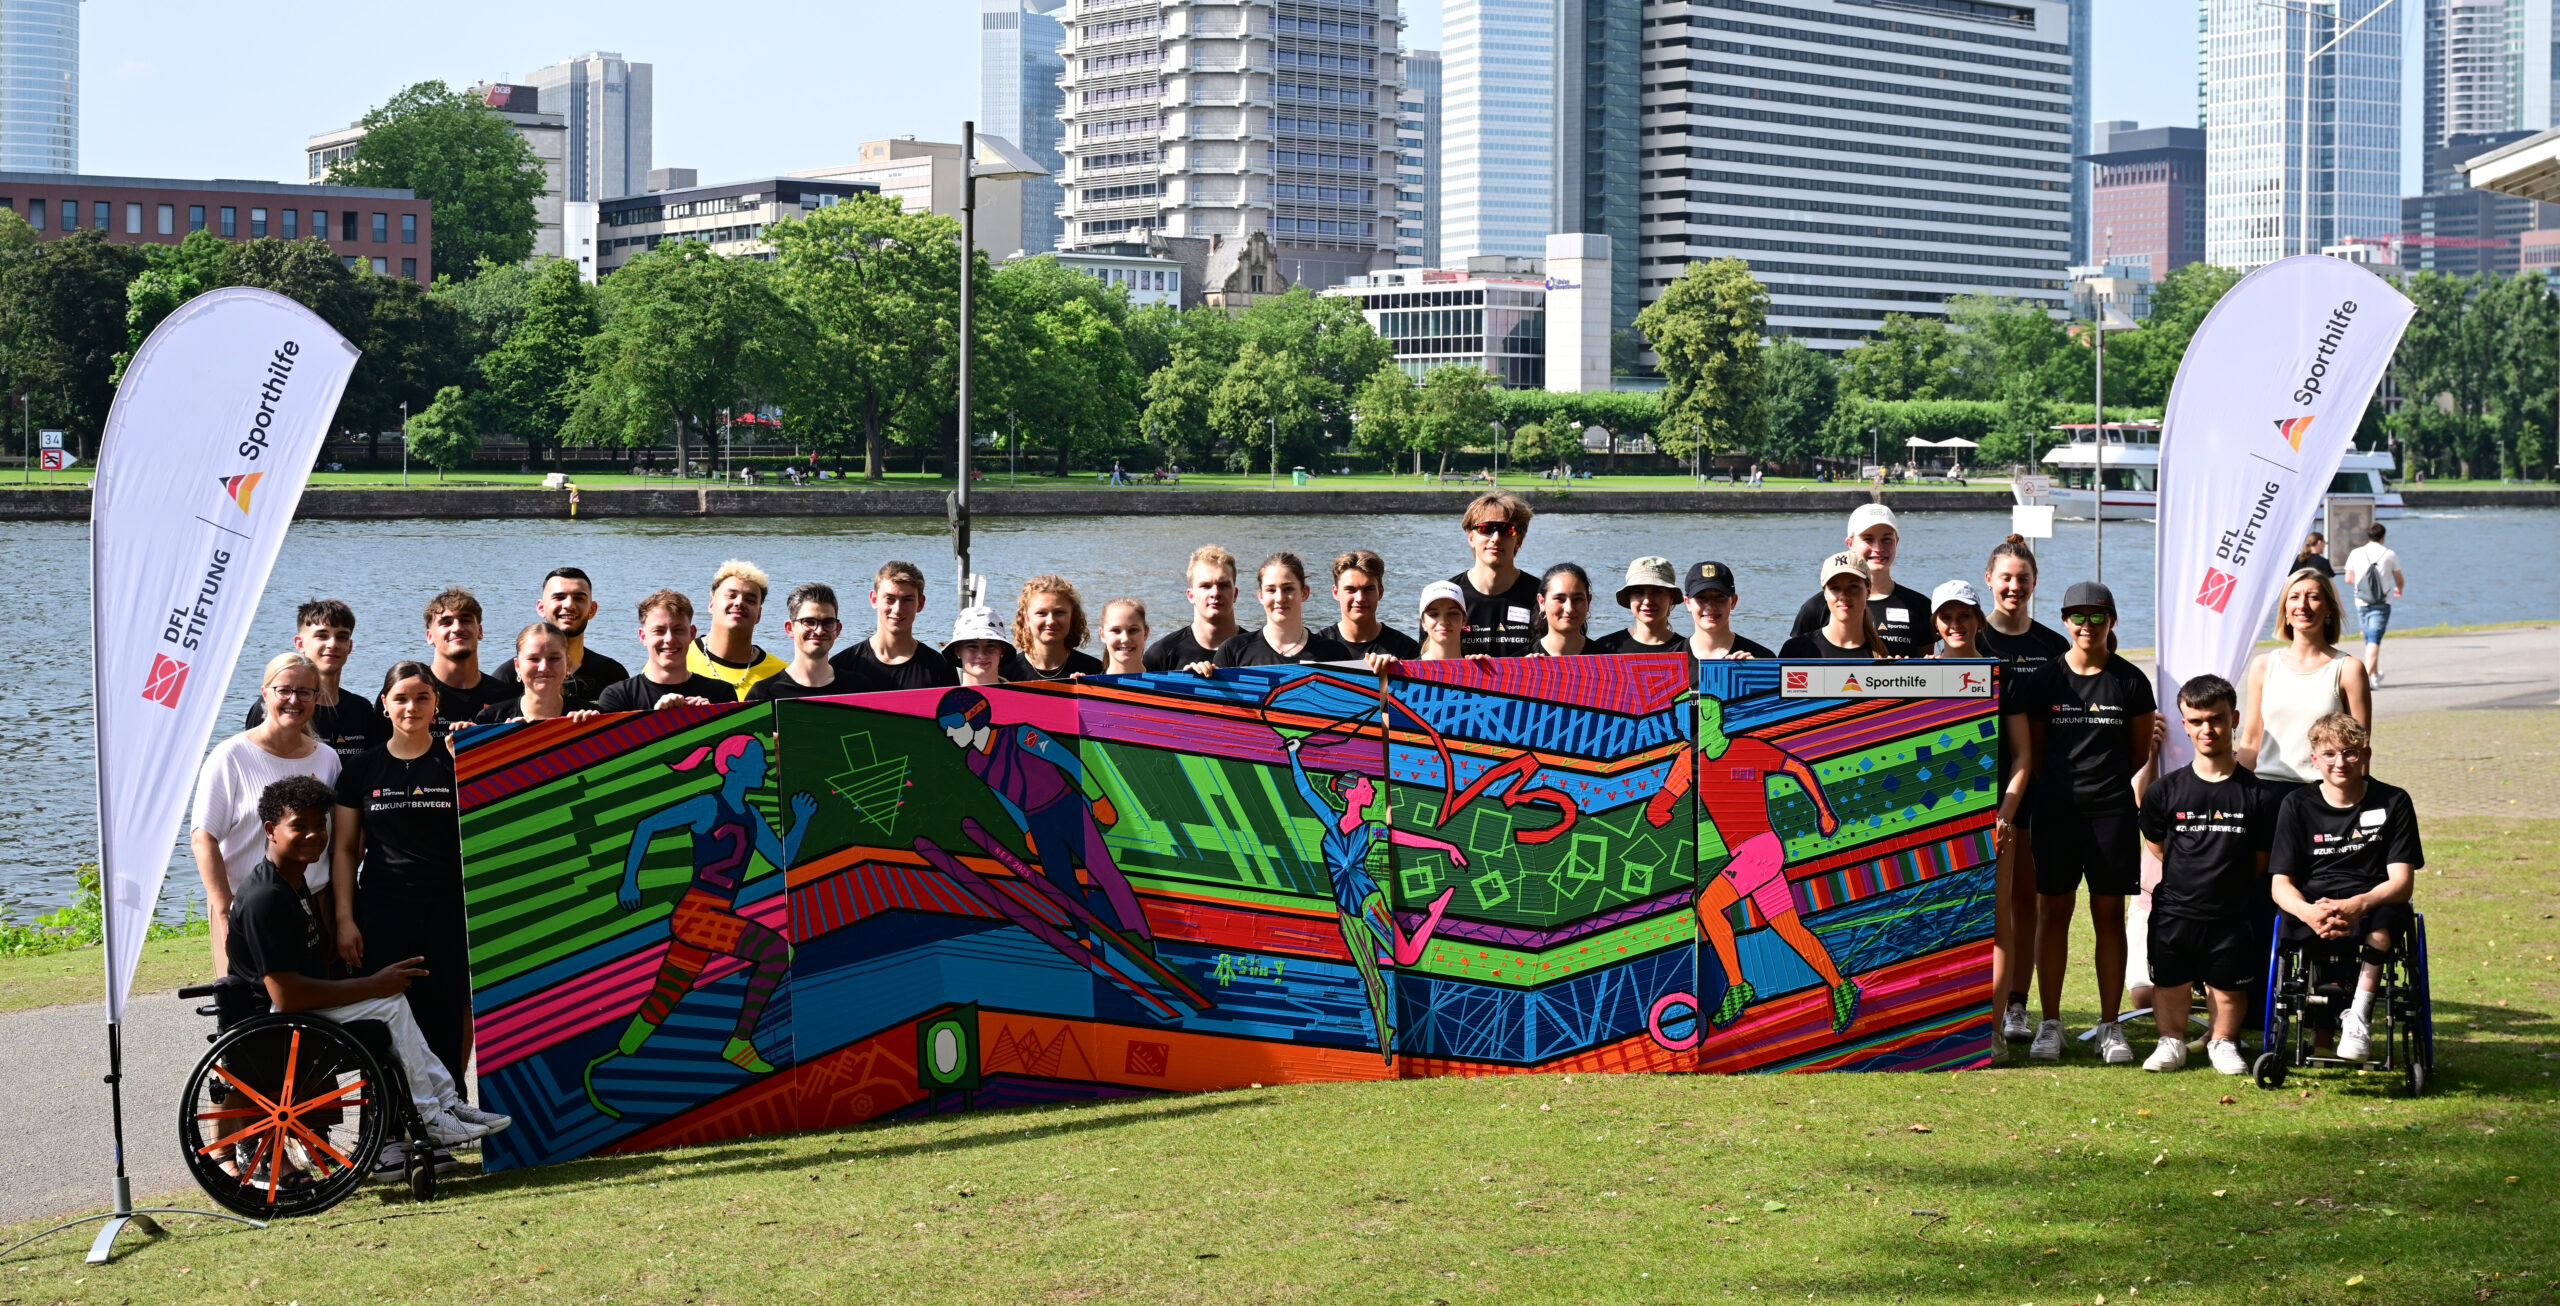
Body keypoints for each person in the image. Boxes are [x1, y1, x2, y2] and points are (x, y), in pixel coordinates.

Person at [229, 776, 506, 1150]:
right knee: (389, 1004)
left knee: (393, 1001)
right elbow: (287, 996)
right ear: (270, 831)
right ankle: (431, 1115)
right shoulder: (266, 898)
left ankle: (447, 1102)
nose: (314, 835)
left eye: (320, 825)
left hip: (297, 1010)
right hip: (275, 1021)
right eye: (299, 825)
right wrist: (373, 984)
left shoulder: (292, 881)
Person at [584, 735, 815, 1118]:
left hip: (712, 917)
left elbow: (782, 859)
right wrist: (629, 881)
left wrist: (801, 820)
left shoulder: (751, 814)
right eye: (757, 758)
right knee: (777, 952)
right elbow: (647, 825)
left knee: (665, 995)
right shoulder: (709, 805)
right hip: (697, 914)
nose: (765, 765)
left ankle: (612, 1058)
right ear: (733, 765)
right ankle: (739, 1042)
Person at [2000, 580, 2157, 1066]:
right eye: (2079, 616)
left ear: (2112, 620)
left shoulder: (2131, 681)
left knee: (2108, 916)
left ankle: (2110, 1025)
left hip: (2112, 813)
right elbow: (2036, 753)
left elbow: (2136, 754)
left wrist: (2103, 787)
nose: (2088, 625)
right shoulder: (2044, 680)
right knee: (2053, 913)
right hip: (2055, 811)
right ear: (2065, 621)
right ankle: (2051, 1023)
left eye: (2098, 616)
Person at [330, 662, 477, 1153]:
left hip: (447, 912)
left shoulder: (456, 760)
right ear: (384, 705)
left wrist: (468, 756)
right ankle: (387, 1134)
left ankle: (444, 1127)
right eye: (401, 698)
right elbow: (345, 851)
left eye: (421, 698)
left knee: (443, 1021)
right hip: (383, 914)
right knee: (384, 1025)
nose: (411, 707)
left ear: (436, 704)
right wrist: (345, 918)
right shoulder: (362, 768)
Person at [1279, 735, 1462, 1057]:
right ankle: (1384, 1040)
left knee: (1407, 957)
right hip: (1347, 913)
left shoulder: (1372, 829)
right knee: (1371, 979)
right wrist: (1294, 753)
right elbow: (1305, 790)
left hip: (1369, 903)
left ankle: (1434, 911)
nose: (1373, 790)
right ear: (1351, 792)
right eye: (1366, 786)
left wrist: (1445, 845)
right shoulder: (1331, 822)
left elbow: (1403, 838)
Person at [2134, 673, 2277, 1075]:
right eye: (2196, 721)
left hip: (2233, 913)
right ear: (2184, 724)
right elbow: (2158, 847)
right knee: (2170, 982)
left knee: (2230, 986)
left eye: (2216, 719)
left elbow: (2260, 859)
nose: (2207, 729)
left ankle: (2223, 1042)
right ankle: (2170, 1043)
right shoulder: (2164, 791)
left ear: (2234, 718)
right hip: (2175, 910)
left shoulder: (2260, 796)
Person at [2269, 712, 2421, 1064]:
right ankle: (2321, 1029)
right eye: (2330, 754)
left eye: (2350, 753)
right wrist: (2309, 913)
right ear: (2315, 759)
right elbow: (2280, 884)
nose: (2340, 762)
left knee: (2382, 925)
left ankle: (2358, 1017)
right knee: (2296, 924)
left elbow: (2401, 882)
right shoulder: (2296, 804)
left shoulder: (2393, 801)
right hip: (2315, 902)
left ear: (2366, 755)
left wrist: (2359, 904)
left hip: (2372, 898)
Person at [192, 652, 345, 975]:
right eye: (283, 690)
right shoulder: (230, 756)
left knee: (316, 1001)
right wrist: (225, 911)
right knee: (248, 1002)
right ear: (265, 692)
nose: (294, 700)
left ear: (317, 697)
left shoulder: (328, 759)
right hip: (247, 907)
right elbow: (203, 838)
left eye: (304, 692)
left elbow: (335, 841)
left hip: (313, 903)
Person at [1976, 535, 2070, 1042]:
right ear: (1989, 579)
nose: (2014, 587)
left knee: (2023, 900)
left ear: (2035, 583)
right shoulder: (1967, 635)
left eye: (2023, 579)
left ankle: (2016, 1003)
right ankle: (1972, 1000)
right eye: (2006, 578)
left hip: (2032, 786)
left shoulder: (2053, 647)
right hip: (1971, 787)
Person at [2239, 567, 2372, 808]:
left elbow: (2360, 747)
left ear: (2329, 608)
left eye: (2313, 597)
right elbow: (2250, 741)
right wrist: (2237, 794)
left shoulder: (2349, 669)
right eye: (2294, 597)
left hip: (2325, 794)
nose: (2303, 605)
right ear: (2285, 610)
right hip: (2268, 794)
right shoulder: (2263, 666)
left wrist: (2354, 805)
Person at [244, 599, 385, 762]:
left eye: (341, 637)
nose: (332, 644)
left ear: (350, 646)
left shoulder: (361, 709)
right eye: (322, 636)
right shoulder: (275, 706)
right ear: (300, 644)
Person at [1789, 504, 1932, 657]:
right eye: (1868, 539)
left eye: (1886, 539)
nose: (1878, 548)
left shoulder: (1920, 606)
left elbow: (1925, 668)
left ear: (1896, 541)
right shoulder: (1815, 608)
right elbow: (1796, 660)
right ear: (1850, 543)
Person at [490, 568, 630, 704]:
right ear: (541, 608)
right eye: (559, 597)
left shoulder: (612, 673)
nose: (569, 605)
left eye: (579, 598)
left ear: (592, 610)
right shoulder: (506, 678)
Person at [596, 591, 740, 712]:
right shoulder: (618, 697)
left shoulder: (721, 694)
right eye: (659, 631)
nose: (669, 639)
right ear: (643, 636)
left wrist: (710, 716)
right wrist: (658, 718)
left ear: (692, 634)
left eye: (678, 630)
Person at [1207, 552, 1355, 668]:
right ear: (1260, 595)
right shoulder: (1233, 651)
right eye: (1271, 590)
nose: (1280, 598)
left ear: (1305, 592)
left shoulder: (1334, 654)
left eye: (1288, 588)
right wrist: (1200, 676)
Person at [830, 560, 958, 693]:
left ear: (920, 603)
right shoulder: (841, 666)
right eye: (889, 599)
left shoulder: (940, 669)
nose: (897, 609)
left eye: (907, 600)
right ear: (874, 600)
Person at [1449, 492, 1542, 657]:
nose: (1496, 538)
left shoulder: (1543, 597)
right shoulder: (1447, 596)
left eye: (1507, 530)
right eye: (1486, 529)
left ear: (1519, 541)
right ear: (1471, 538)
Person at [686, 560, 787, 697]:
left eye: (750, 600)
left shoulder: (780, 675)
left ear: (759, 614)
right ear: (711, 604)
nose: (739, 602)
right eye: (731, 596)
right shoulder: (678, 658)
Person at [470, 623, 604, 724]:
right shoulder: (491, 719)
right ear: (517, 666)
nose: (544, 667)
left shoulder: (593, 716)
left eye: (554, 658)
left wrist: (595, 732)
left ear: (567, 664)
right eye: (533, 659)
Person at [420, 588, 514, 727]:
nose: (457, 628)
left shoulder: (505, 697)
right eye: (446, 622)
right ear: (429, 636)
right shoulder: (410, 694)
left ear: (480, 631)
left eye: (465, 620)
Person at [1143, 545, 1242, 672]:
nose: (1215, 593)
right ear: (1191, 596)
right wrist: (1184, 681)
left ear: (1235, 594)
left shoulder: (1257, 651)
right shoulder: (1160, 655)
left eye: (1223, 585)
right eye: (1206, 586)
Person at [748, 583, 850, 701]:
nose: (819, 630)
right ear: (790, 629)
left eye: (828, 622)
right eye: (809, 622)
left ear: (838, 629)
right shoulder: (764, 694)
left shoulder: (859, 688)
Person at [1779, 552, 1889, 660]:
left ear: (1868, 591)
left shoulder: (1888, 652)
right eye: (1835, 588)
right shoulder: (1795, 650)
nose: (1844, 596)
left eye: (1853, 586)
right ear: (1825, 594)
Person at [1005, 574, 1106, 681]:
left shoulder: (1096, 672)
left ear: (1072, 616)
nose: (1051, 621)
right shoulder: (1004, 674)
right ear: (1027, 618)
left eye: (1059, 612)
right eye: (1041, 613)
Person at [1327, 550, 1421, 660]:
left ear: (1380, 592)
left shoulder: (1406, 650)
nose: (1360, 598)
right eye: (1350, 590)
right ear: (1336, 592)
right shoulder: (1317, 649)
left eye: (1368, 589)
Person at [2344, 522, 2406, 685]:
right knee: (2374, 639)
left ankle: (2375, 674)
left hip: (2361, 601)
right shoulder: (2390, 554)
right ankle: (2366, 680)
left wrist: (2365, 586)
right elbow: (2400, 580)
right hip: (2382, 602)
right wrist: (2399, 589)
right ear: (2383, 537)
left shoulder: (2356, 553)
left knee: (2369, 639)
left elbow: (2348, 579)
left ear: (2368, 536)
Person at [1682, 562, 1774, 660]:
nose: (1710, 606)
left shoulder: (1762, 657)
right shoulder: (1671, 658)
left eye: (1719, 597)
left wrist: (1757, 668)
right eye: (1701, 597)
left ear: (1733, 601)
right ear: (1687, 603)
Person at [1591, 557, 1684, 654]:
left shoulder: (1686, 650)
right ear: (1629, 598)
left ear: (1671, 598)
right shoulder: (1604, 648)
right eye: (1638, 592)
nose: (1647, 601)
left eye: (1657, 592)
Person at [1527, 562, 1597, 657]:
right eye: (1559, 599)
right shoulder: (1517, 662)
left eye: (1577, 599)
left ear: (1588, 602)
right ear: (1542, 602)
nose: (1569, 609)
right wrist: (1522, 666)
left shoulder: (1611, 661)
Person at [946, 606, 1013, 688]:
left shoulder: (1023, 695)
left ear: (1002, 650)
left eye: (990, 646)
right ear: (957, 650)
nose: (981, 655)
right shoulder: (942, 697)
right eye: (972, 646)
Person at [1412, 580, 1469, 663]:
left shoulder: (1480, 669)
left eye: (1452, 613)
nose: (1443, 621)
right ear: (1423, 622)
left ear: (1464, 619)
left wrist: (1485, 667)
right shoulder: (1405, 670)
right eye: (1434, 614)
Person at [1928, 580, 1986, 659]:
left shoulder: (1996, 665)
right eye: (1946, 617)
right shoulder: (1927, 666)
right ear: (1936, 624)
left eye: (1964, 616)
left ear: (1979, 619)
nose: (1955, 625)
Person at [1098, 598, 1151, 675]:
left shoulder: (1164, 682)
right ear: (1102, 635)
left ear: (1145, 633)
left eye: (1133, 630)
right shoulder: (1088, 682)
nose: (1125, 639)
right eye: (1116, 630)